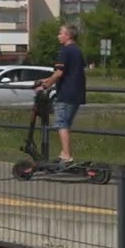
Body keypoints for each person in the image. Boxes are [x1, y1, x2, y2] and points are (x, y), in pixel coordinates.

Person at [35, 23, 87, 164]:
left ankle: (66, 155)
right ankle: (64, 152)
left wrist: (46, 85)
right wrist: (45, 79)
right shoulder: (77, 51)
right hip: (77, 93)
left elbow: (59, 73)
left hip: (66, 93)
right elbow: (70, 73)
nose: (58, 36)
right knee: (66, 123)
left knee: (61, 123)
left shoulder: (65, 51)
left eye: (60, 33)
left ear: (68, 35)